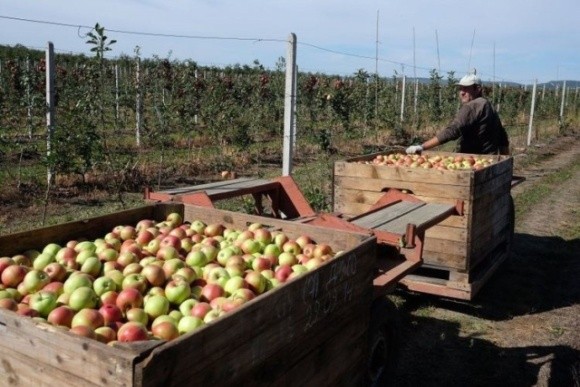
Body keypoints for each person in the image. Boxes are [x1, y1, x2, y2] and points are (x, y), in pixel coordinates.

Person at [406, 70, 510, 155]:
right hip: (489, 161)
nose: (462, 92)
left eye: (466, 88)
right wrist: (505, 163)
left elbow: (453, 130)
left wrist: (422, 146)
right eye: (460, 88)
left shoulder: (472, 106)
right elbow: (503, 138)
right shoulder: (489, 106)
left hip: (473, 161)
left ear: (478, 89)